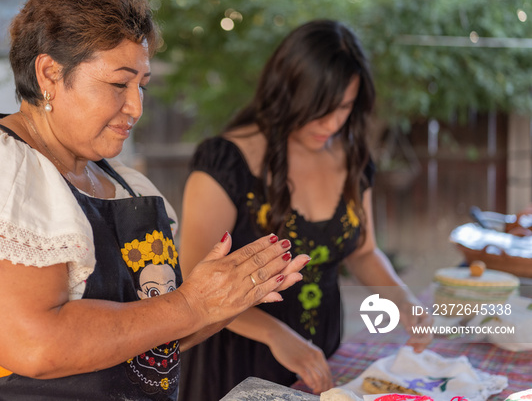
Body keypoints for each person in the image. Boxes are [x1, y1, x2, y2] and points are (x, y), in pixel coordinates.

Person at [0, 0, 310, 401]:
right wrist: (192, 305)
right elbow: (34, 345)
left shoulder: (126, 185)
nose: (136, 106)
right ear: (49, 73)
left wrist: (227, 298)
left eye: (141, 85)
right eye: (118, 84)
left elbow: (150, 332)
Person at [177, 20, 433, 400]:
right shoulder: (227, 162)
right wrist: (277, 335)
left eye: (344, 107)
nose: (332, 123)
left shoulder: (353, 158)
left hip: (322, 353)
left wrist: (403, 300)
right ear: (287, 93)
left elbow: (363, 250)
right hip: (237, 359)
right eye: (320, 109)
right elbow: (194, 281)